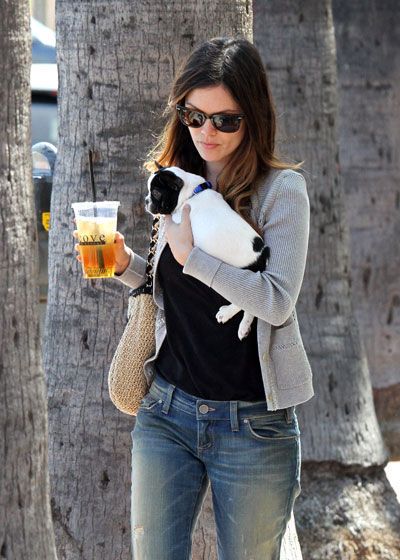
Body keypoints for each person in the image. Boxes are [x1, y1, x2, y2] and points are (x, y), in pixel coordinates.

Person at [75, 37, 313, 560]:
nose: (206, 131)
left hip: (253, 425)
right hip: (167, 411)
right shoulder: (176, 181)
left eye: (225, 120)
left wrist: (192, 258)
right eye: (193, 115)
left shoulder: (281, 193)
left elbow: (275, 303)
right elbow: (175, 292)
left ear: (253, 117)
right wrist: (125, 265)